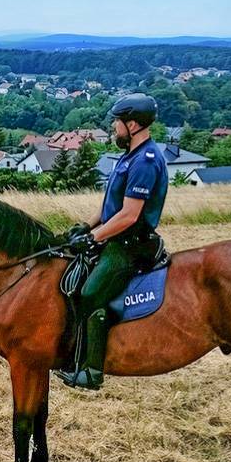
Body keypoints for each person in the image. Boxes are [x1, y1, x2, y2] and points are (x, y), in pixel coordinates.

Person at [56, 93, 168, 390]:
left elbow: (129, 216)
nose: (113, 128)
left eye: (117, 123)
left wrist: (94, 238)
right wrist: (86, 226)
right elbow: (112, 206)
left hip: (130, 246)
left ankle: (92, 371)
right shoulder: (130, 154)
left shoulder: (145, 161)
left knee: (90, 294)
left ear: (132, 124)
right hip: (115, 236)